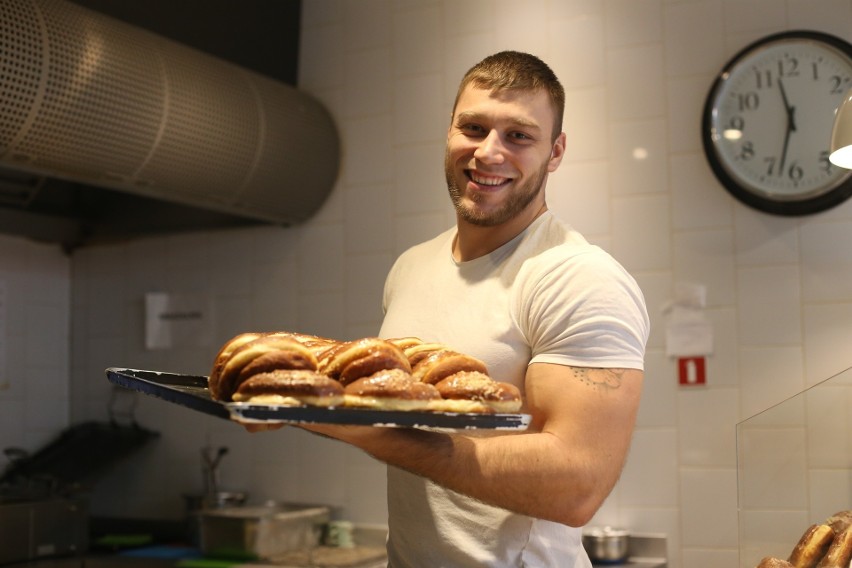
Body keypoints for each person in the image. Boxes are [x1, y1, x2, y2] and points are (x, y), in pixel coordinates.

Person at [303, 51, 649, 566]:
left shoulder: (578, 277)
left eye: (518, 136)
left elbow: (578, 485)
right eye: (473, 127)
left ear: (555, 153)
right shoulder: (410, 268)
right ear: (449, 131)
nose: (488, 152)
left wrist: (376, 435)